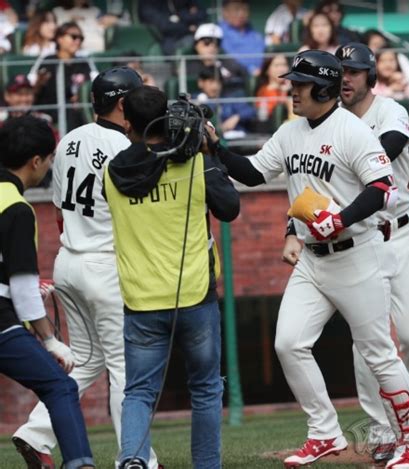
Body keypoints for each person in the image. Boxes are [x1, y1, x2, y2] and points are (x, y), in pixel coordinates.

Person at [206, 49, 409, 469]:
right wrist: (216, 148)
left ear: (324, 88)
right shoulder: (291, 132)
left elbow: (383, 188)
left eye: (300, 84)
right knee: (289, 342)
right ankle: (324, 432)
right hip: (312, 259)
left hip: (357, 255)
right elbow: (254, 172)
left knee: (378, 354)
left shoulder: (352, 130)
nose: (292, 90)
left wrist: (341, 219)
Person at [13, 67, 161, 469]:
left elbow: (59, 214)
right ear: (120, 102)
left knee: (89, 360)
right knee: (124, 369)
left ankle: (35, 431)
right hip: (104, 265)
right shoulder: (125, 147)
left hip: (69, 262)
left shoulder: (68, 140)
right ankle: (138, 458)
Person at [102, 85, 240, 469]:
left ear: (126, 121)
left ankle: (131, 459)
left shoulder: (110, 175)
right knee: (207, 390)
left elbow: (142, 166)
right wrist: (208, 153)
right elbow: (230, 208)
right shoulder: (196, 163)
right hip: (195, 296)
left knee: (139, 392)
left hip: (140, 300)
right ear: (169, 116)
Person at [335, 41, 409, 463]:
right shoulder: (328, 122)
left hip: (400, 233)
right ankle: (383, 430)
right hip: (360, 239)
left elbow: (391, 147)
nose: (347, 78)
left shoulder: (389, 111)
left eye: (355, 71)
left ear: (370, 77)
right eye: (341, 71)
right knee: (368, 342)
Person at [0, 115, 95, 469]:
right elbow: (22, 283)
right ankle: (80, 464)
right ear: (35, 162)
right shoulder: (16, 208)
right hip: (2, 323)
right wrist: (50, 340)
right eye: (50, 159)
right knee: (61, 387)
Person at [28, 21, 97, 130]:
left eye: (80, 38)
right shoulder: (47, 60)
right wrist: (39, 82)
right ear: (59, 39)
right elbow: (32, 88)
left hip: (79, 108)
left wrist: (81, 95)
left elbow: (94, 84)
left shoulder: (84, 62)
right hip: (52, 108)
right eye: (73, 37)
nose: (77, 41)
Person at [186, 23, 248, 97]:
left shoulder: (229, 64)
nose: (212, 47)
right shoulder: (187, 68)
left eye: (217, 43)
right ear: (196, 45)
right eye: (207, 42)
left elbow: (243, 76)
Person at [195, 66, 256, 137]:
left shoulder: (228, 99)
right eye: (211, 82)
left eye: (218, 82)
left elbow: (251, 111)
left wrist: (236, 117)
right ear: (201, 83)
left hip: (235, 139)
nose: (215, 86)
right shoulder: (195, 100)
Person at [138, 0, 207, 56]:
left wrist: (180, 16)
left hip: (187, 34)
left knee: (204, 41)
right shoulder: (149, 3)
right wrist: (188, 27)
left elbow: (201, 14)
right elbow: (165, 26)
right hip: (168, 38)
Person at [219, 0, 265, 76]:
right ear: (225, 12)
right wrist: (251, 69)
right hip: (234, 79)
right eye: (236, 9)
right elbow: (229, 60)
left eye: (244, 9)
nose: (241, 14)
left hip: (260, 77)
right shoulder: (219, 33)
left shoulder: (256, 35)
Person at [255, 53, 292, 122]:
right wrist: (283, 93)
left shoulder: (292, 86)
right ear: (267, 70)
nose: (282, 69)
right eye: (277, 65)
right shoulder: (264, 91)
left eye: (284, 65)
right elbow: (268, 114)